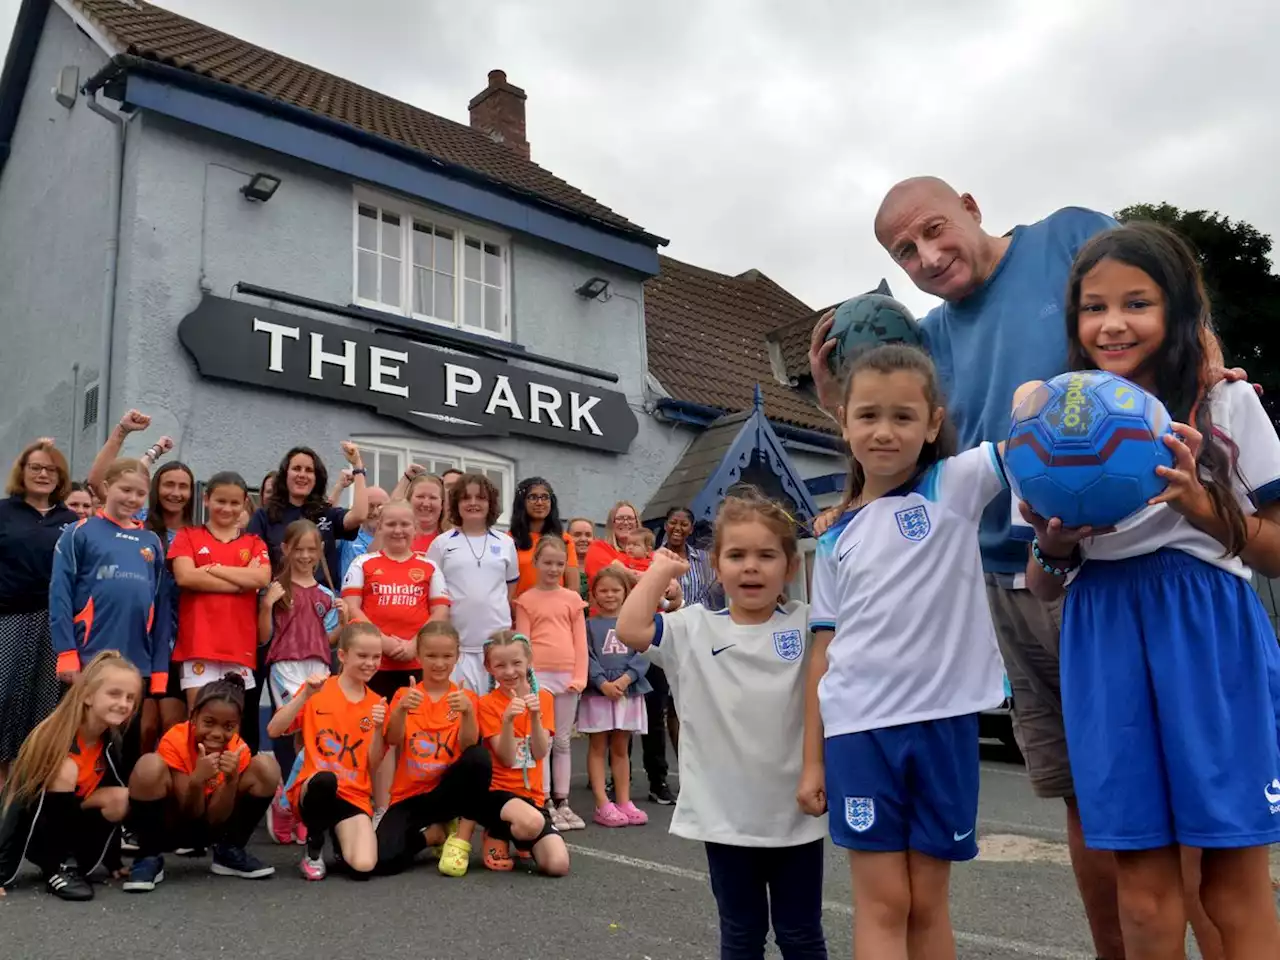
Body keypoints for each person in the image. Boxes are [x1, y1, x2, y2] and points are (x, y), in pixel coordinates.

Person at [807, 178, 1132, 959]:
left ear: (970, 204)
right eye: (903, 252)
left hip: (1108, 566)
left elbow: (1163, 308)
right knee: (1080, 797)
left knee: (1143, 789)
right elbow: (898, 434)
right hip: (1004, 582)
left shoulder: (1067, 236)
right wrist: (829, 402)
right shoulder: (933, 343)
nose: (927, 256)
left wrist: (1213, 368)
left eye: (933, 229)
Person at [1018, 222, 1280, 957]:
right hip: (1102, 637)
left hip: (1207, 634)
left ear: (1176, 311)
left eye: (1137, 302)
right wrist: (1056, 542)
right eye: (1093, 306)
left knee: (1234, 878)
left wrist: (1204, 506)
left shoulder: (1225, 407)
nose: (1112, 323)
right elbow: (1042, 582)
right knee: (1141, 883)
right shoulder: (1046, 424)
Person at [797, 344, 1009, 957]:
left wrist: (1032, 398)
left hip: (944, 727)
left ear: (933, 424)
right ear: (843, 422)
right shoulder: (835, 536)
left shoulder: (957, 485)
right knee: (885, 901)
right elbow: (823, 656)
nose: (884, 431)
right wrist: (813, 763)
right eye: (868, 416)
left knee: (928, 901)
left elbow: (1037, 433)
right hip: (860, 734)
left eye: (903, 417)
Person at [617, 490, 828, 960]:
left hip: (795, 816)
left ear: (790, 568)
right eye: (736, 555)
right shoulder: (692, 628)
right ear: (716, 565)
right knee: (741, 933)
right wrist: (659, 572)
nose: (750, 566)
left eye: (766, 555)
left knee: (801, 933)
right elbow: (630, 628)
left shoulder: (808, 624)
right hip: (725, 818)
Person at [0, 651, 140, 901]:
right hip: (41, 830)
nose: (124, 703)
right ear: (87, 696)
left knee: (122, 797)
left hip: (75, 824)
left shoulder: (111, 738)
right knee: (66, 769)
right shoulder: (51, 735)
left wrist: (113, 861)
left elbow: (111, 787)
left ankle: (74, 862)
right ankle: (58, 866)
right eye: (114, 694)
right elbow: (14, 803)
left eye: (130, 697)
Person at [124, 673, 280, 892]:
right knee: (148, 766)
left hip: (212, 825)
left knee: (267, 767)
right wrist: (198, 780)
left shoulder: (238, 748)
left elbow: (215, 818)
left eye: (228, 726)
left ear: (238, 726)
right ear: (193, 717)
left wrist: (231, 780)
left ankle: (229, 851)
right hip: (174, 825)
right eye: (208, 722)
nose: (217, 734)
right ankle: (148, 856)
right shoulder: (175, 740)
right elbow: (191, 814)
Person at [49, 459, 169, 715]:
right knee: (77, 741)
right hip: (88, 659)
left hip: (135, 664)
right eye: (125, 490)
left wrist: (159, 669)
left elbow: (160, 607)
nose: (132, 498)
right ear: (106, 487)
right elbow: (60, 595)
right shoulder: (79, 531)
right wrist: (67, 653)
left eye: (140, 493)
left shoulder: (151, 542)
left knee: (122, 747)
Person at [268, 621, 386, 881]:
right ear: (342, 656)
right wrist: (304, 696)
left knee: (364, 866)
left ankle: (338, 836)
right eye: (362, 656)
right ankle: (314, 846)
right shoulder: (318, 689)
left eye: (376, 656)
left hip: (353, 794)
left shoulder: (376, 703)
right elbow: (274, 730)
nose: (370, 663)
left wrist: (378, 729)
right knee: (325, 780)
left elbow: (372, 763)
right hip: (314, 789)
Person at [376, 621, 491, 877]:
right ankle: (434, 835)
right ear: (418, 656)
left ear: (457, 656)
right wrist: (402, 709)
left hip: (447, 792)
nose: (439, 663)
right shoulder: (405, 694)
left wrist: (468, 712)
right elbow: (393, 740)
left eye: (447, 656)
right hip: (410, 795)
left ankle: (460, 837)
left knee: (479, 758)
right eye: (431, 656)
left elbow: (469, 745)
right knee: (382, 860)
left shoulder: (466, 698)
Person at [260, 519, 345, 843]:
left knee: (310, 740)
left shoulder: (325, 593)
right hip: (284, 667)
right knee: (293, 731)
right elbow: (263, 637)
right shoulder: (277, 589)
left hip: (318, 667)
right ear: (285, 549)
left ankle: (292, 804)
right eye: (299, 549)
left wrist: (345, 619)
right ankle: (284, 802)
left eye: (312, 549)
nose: (306, 555)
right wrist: (267, 605)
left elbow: (330, 639)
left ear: (320, 551)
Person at [0, 439, 77, 783]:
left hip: (54, 623)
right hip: (7, 619)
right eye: (36, 467)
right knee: (3, 697)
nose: (43, 474)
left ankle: (25, 789)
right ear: (22, 471)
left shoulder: (71, 520)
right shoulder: (4, 512)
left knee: (43, 703)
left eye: (51, 469)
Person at [466, 630, 570, 876]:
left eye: (516, 663)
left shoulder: (543, 697)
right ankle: (497, 830)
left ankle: (522, 838)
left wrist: (535, 717)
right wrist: (508, 721)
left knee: (557, 865)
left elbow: (540, 751)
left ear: (529, 661)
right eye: (500, 665)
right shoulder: (487, 703)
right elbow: (507, 758)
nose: (509, 671)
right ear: (488, 667)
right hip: (499, 794)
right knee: (531, 822)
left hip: (532, 798)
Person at [167, 473, 271, 706]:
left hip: (239, 647)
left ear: (244, 503)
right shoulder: (188, 536)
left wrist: (213, 569)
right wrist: (241, 583)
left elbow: (262, 577)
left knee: (229, 726)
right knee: (199, 721)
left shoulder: (254, 542)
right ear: (206, 499)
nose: (227, 508)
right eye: (220, 501)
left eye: (234, 503)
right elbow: (185, 577)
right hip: (198, 644)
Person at [513, 536, 588, 831]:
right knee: (540, 739)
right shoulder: (526, 600)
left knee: (563, 740)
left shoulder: (572, 599)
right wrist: (527, 679)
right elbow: (522, 642)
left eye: (559, 564)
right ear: (536, 563)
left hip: (568, 676)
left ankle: (563, 800)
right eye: (548, 563)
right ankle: (542, 799)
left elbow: (580, 642)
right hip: (539, 677)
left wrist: (580, 677)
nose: (554, 569)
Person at [342, 499, 451, 700]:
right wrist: (381, 642)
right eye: (391, 524)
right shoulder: (362, 563)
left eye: (405, 524)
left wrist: (415, 645)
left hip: (417, 662)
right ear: (380, 528)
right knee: (373, 724)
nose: (398, 530)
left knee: (412, 725)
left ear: (415, 528)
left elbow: (441, 612)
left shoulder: (430, 566)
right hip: (371, 663)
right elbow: (351, 608)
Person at [425, 473, 518, 694]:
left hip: (497, 649)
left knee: (496, 716)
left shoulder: (506, 543)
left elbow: (509, 590)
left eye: (481, 498)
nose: (473, 503)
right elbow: (431, 593)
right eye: (466, 498)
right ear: (456, 504)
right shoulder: (441, 543)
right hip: (457, 649)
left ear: (491, 503)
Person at [579, 568, 650, 828]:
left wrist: (626, 678)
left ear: (625, 592)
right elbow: (586, 655)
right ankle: (602, 803)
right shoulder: (587, 625)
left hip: (627, 691)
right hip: (599, 693)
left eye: (615, 590)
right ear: (594, 594)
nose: (609, 595)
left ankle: (624, 801)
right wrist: (602, 682)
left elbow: (645, 651)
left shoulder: (635, 622)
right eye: (604, 590)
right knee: (598, 747)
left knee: (621, 748)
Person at [247, 443, 368, 578]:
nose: (302, 474)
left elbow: (360, 515)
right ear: (285, 475)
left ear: (316, 478)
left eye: (309, 470)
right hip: (281, 596)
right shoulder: (264, 516)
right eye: (296, 468)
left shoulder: (326, 513)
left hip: (321, 597)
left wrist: (358, 467)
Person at [144, 462, 196, 734]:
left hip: (180, 639)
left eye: (183, 486)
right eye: (168, 484)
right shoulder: (139, 525)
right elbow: (105, 481)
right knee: (144, 726)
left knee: (171, 725)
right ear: (156, 488)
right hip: (140, 637)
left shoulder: (196, 535)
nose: (175, 493)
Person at [510, 477, 580, 595]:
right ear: (521, 502)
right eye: (533, 497)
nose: (540, 502)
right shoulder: (508, 541)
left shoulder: (564, 540)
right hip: (519, 610)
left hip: (555, 610)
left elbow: (573, 587)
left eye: (545, 497)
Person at [584, 501, 642, 590]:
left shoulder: (649, 555)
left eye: (630, 518)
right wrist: (647, 577)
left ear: (637, 523)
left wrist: (620, 568)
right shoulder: (598, 548)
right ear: (612, 524)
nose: (626, 522)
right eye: (620, 518)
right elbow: (610, 581)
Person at [338, 484, 388, 582]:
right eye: (370, 506)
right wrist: (339, 487)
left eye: (380, 507)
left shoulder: (394, 539)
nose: (375, 512)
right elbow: (327, 521)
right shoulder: (348, 534)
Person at [404, 473, 446, 552]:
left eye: (433, 498)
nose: (426, 504)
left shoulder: (453, 539)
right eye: (420, 496)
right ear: (409, 500)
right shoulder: (395, 536)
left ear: (442, 504)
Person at [567, 517, 596, 602]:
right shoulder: (559, 567)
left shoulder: (602, 567)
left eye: (588, 535)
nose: (583, 539)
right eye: (577, 535)